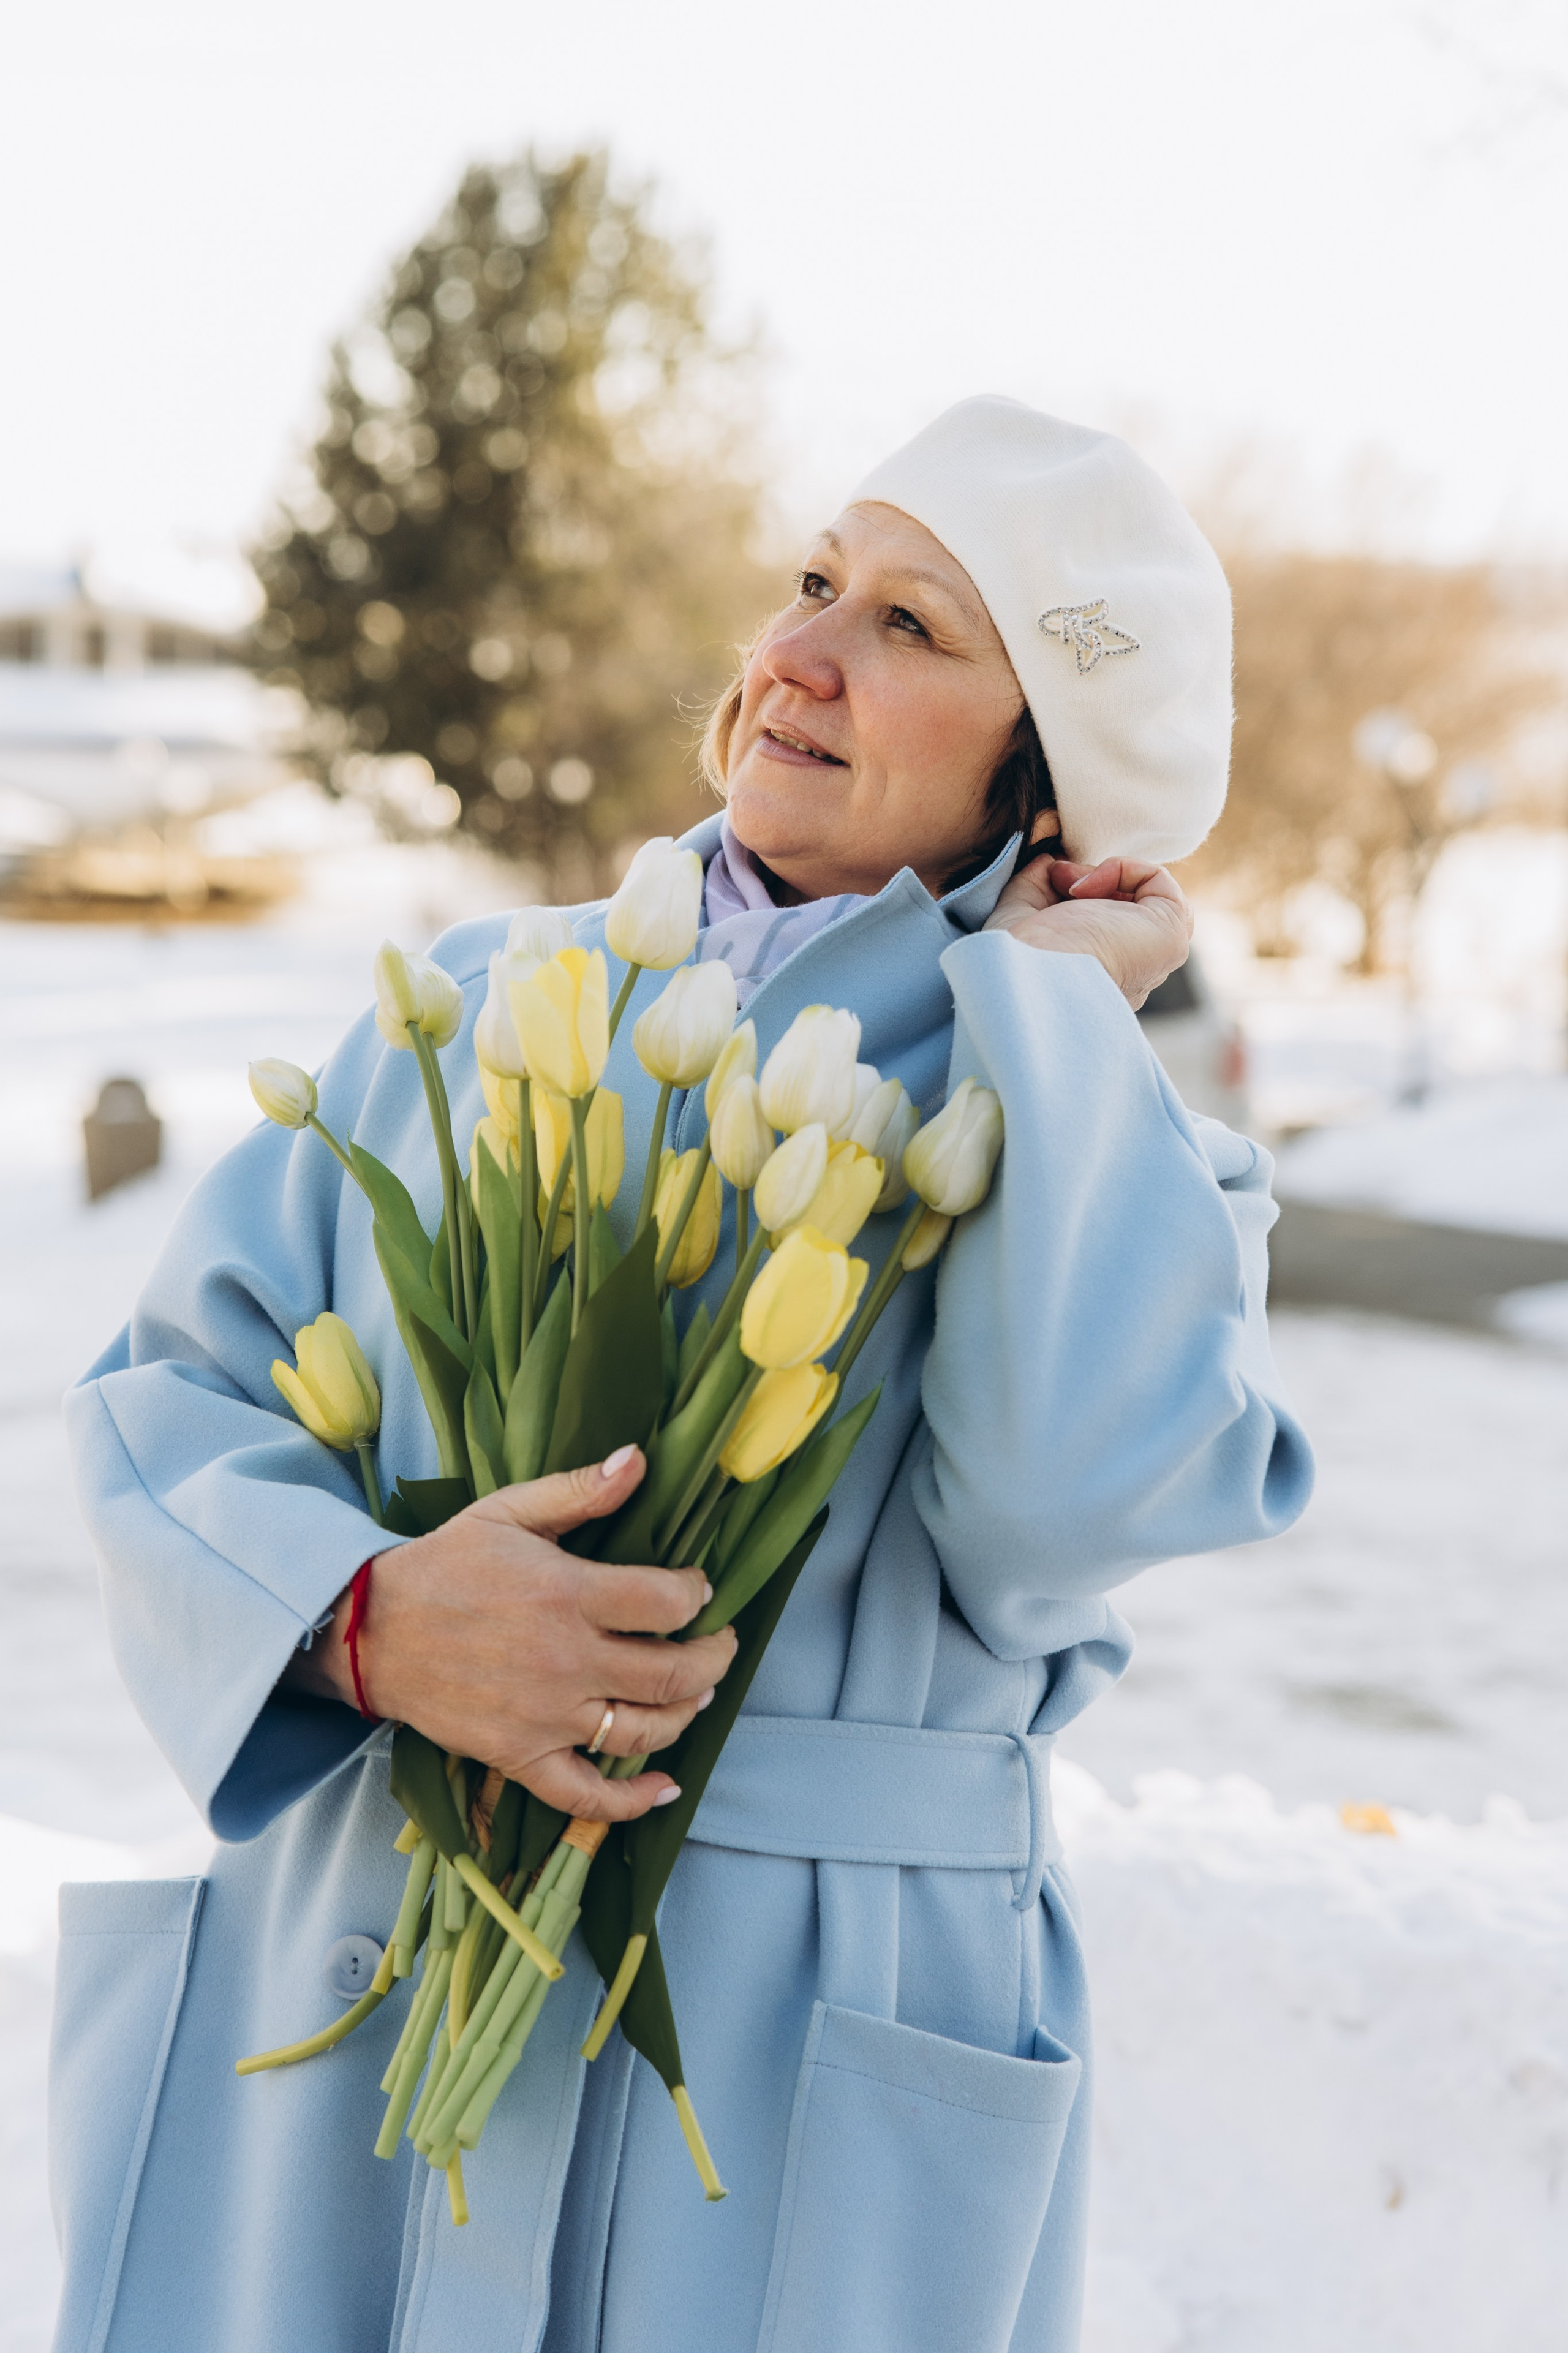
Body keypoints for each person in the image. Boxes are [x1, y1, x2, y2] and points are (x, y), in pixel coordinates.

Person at [59, 396, 1312, 2353]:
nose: (799, 653)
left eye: (911, 625)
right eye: (815, 581)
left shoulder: (1124, 1154)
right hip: (369, 1977)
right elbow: (169, 1398)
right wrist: (365, 1618)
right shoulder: (482, 1002)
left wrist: (1058, 1028)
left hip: (785, 2056)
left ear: (1048, 780)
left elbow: (1058, 1510)